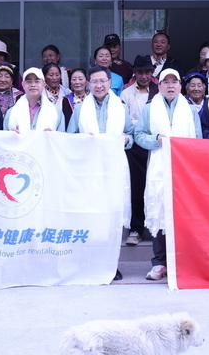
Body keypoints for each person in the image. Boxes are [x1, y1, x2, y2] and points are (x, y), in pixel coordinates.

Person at [133, 68, 202, 281]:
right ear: (160, 86)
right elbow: (138, 135)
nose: (170, 85)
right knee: (159, 209)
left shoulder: (190, 110)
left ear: (180, 86)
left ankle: (182, 261)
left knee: (182, 212)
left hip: (184, 167)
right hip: (159, 166)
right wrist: (156, 140)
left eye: (174, 82)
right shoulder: (149, 108)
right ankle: (159, 262)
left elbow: (198, 139)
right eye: (166, 82)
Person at [67, 65, 133, 281]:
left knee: (112, 217)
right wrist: (82, 142)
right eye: (94, 81)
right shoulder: (80, 110)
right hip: (89, 170)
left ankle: (111, 264)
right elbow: (70, 138)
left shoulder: (120, 107)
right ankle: (89, 263)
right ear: (88, 84)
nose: (99, 85)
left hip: (114, 168)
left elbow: (131, 134)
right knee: (90, 217)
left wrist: (126, 139)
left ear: (109, 82)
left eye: (102, 81)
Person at [120, 55, 159, 246]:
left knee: (158, 186)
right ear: (134, 73)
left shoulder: (159, 92)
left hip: (157, 145)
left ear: (152, 73)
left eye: (147, 72)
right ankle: (136, 228)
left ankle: (158, 228)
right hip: (136, 147)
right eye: (140, 72)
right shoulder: (126, 94)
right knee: (137, 187)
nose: (144, 76)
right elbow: (126, 122)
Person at [4, 68, 66, 133]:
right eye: (29, 81)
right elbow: (5, 137)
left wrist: (52, 136)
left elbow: (61, 137)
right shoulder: (11, 112)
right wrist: (12, 136)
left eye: (37, 81)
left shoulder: (56, 111)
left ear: (44, 84)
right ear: (23, 85)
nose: (33, 85)